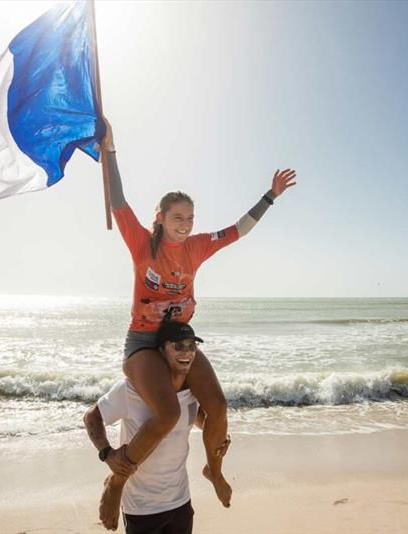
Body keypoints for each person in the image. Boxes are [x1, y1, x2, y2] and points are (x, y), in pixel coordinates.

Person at [97, 118, 296, 530]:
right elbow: (117, 200)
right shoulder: (141, 242)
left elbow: (238, 230)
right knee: (168, 413)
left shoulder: (197, 246)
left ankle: (214, 470)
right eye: (178, 217)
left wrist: (270, 196)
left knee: (219, 406)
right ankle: (118, 479)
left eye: (190, 217)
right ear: (161, 217)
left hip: (182, 341)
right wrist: (110, 149)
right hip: (144, 343)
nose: (185, 223)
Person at [84, 322, 229, 534]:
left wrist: (219, 438)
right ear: (161, 352)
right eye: (178, 346)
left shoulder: (191, 391)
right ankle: (114, 486)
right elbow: (92, 418)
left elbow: (199, 418)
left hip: (180, 500)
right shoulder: (130, 389)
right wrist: (107, 454)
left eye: (191, 346)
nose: (186, 353)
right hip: (142, 507)